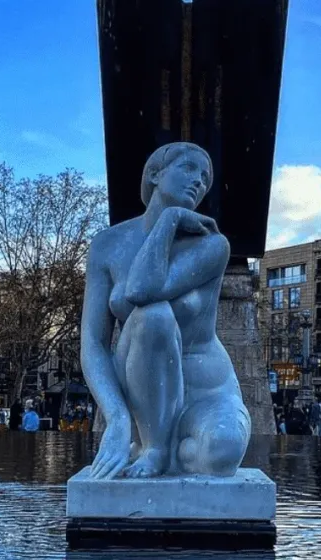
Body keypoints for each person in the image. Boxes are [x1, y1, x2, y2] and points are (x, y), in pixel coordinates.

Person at [80, 143, 251, 480]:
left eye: (205, 178)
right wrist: (116, 418)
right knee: (153, 317)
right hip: (143, 399)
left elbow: (142, 287)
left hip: (207, 392)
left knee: (224, 453)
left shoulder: (212, 244)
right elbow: (94, 342)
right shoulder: (108, 245)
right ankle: (156, 447)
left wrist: (169, 220)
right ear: (155, 174)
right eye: (188, 168)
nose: (198, 182)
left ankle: (176, 448)